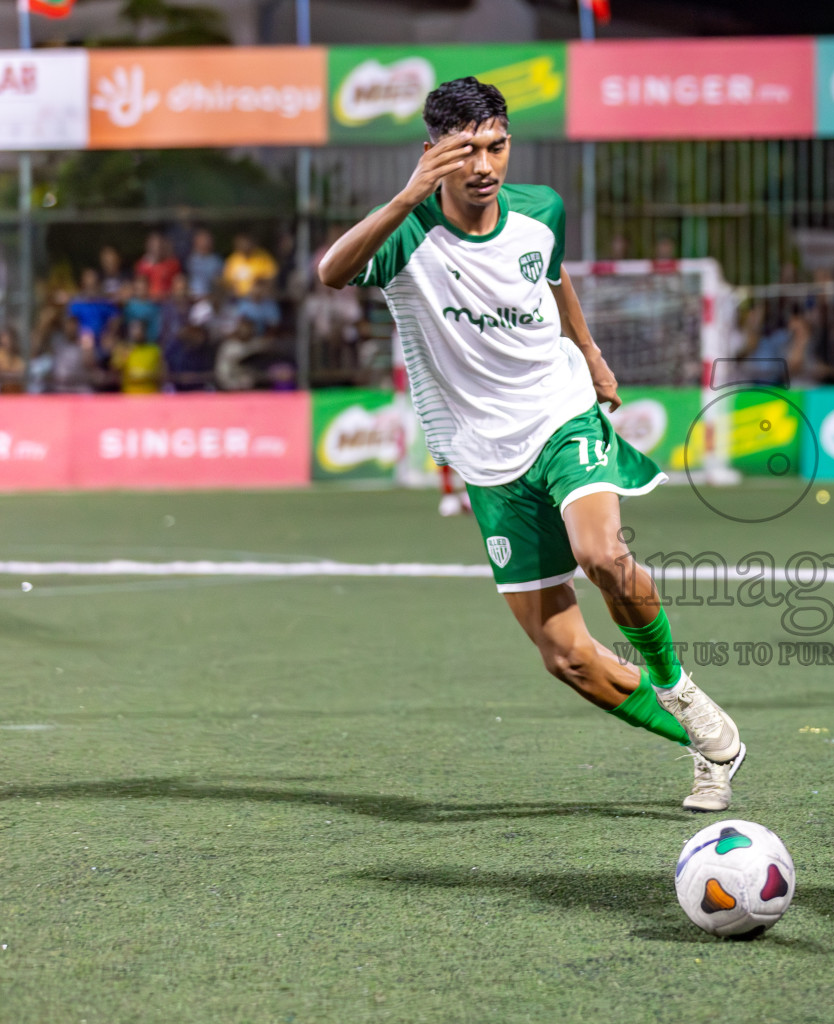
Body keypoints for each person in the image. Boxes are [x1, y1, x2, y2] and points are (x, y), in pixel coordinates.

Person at [316, 77, 747, 812]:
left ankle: (676, 683)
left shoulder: (542, 209)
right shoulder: (408, 233)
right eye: (466, 151)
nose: (484, 166)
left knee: (602, 554)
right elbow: (331, 274)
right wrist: (404, 197)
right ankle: (710, 743)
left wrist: (593, 351)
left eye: (496, 146)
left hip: (560, 414)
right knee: (566, 657)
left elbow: (553, 278)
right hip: (485, 456)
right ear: (434, 153)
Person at [223, 233, 278, 299]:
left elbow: (272, 277)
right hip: (238, 299)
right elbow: (227, 282)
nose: (244, 245)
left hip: (261, 298)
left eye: (246, 243)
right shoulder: (232, 260)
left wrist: (260, 283)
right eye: (241, 243)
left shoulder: (263, 256)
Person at [135, 231, 181, 299]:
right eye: (154, 245)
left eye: (159, 245)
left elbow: (178, 284)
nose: (157, 248)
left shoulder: (173, 264)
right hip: (149, 302)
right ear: (148, 246)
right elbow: (139, 287)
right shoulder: (142, 265)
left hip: (168, 301)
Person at [185, 228, 225, 299]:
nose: (205, 242)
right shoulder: (190, 260)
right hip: (192, 297)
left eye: (207, 239)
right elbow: (186, 278)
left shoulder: (216, 261)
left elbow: (219, 282)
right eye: (202, 239)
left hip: (211, 298)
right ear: (196, 241)